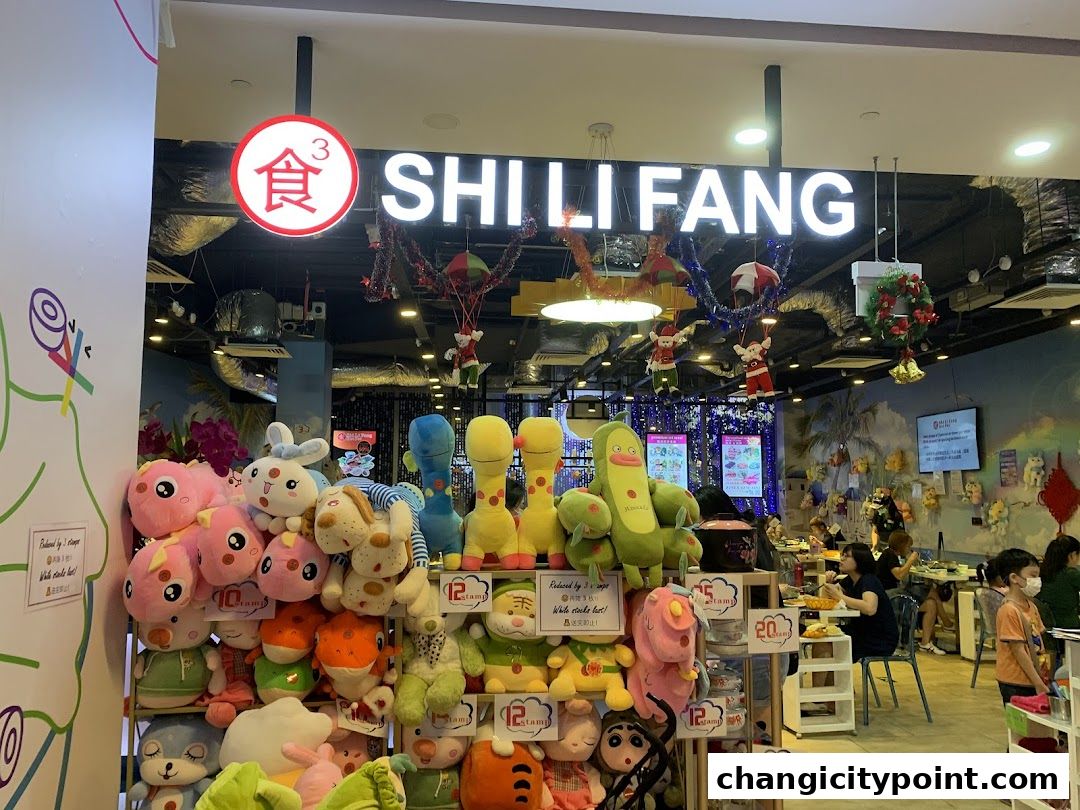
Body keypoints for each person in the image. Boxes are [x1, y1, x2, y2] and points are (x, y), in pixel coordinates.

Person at [821, 542, 899, 662]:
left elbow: (870, 608)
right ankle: (833, 681)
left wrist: (840, 596)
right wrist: (827, 582)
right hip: (860, 631)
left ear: (860, 559)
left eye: (847, 556)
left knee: (827, 642)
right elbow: (828, 598)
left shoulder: (869, 580)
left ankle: (832, 681)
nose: (841, 558)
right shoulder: (850, 580)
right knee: (822, 637)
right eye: (842, 555)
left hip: (878, 639)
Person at [993, 547, 1051, 705]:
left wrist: (1043, 676)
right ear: (1014, 578)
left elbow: (1039, 641)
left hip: (1034, 678)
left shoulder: (1031, 606)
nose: (1037, 581)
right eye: (1033, 576)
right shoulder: (1008, 611)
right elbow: (1018, 651)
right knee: (1021, 727)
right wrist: (1037, 682)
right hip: (1015, 681)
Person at [876, 531, 947, 655]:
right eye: (908, 546)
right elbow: (899, 575)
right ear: (901, 545)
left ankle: (926, 642)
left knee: (931, 604)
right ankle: (947, 623)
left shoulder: (891, 555)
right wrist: (911, 561)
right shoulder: (889, 555)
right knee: (930, 591)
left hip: (894, 594)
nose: (909, 549)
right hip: (889, 596)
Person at [1039, 535, 1080, 629]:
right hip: (1068, 627)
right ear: (1072, 555)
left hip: (1046, 625)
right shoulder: (1071, 574)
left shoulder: (1043, 571)